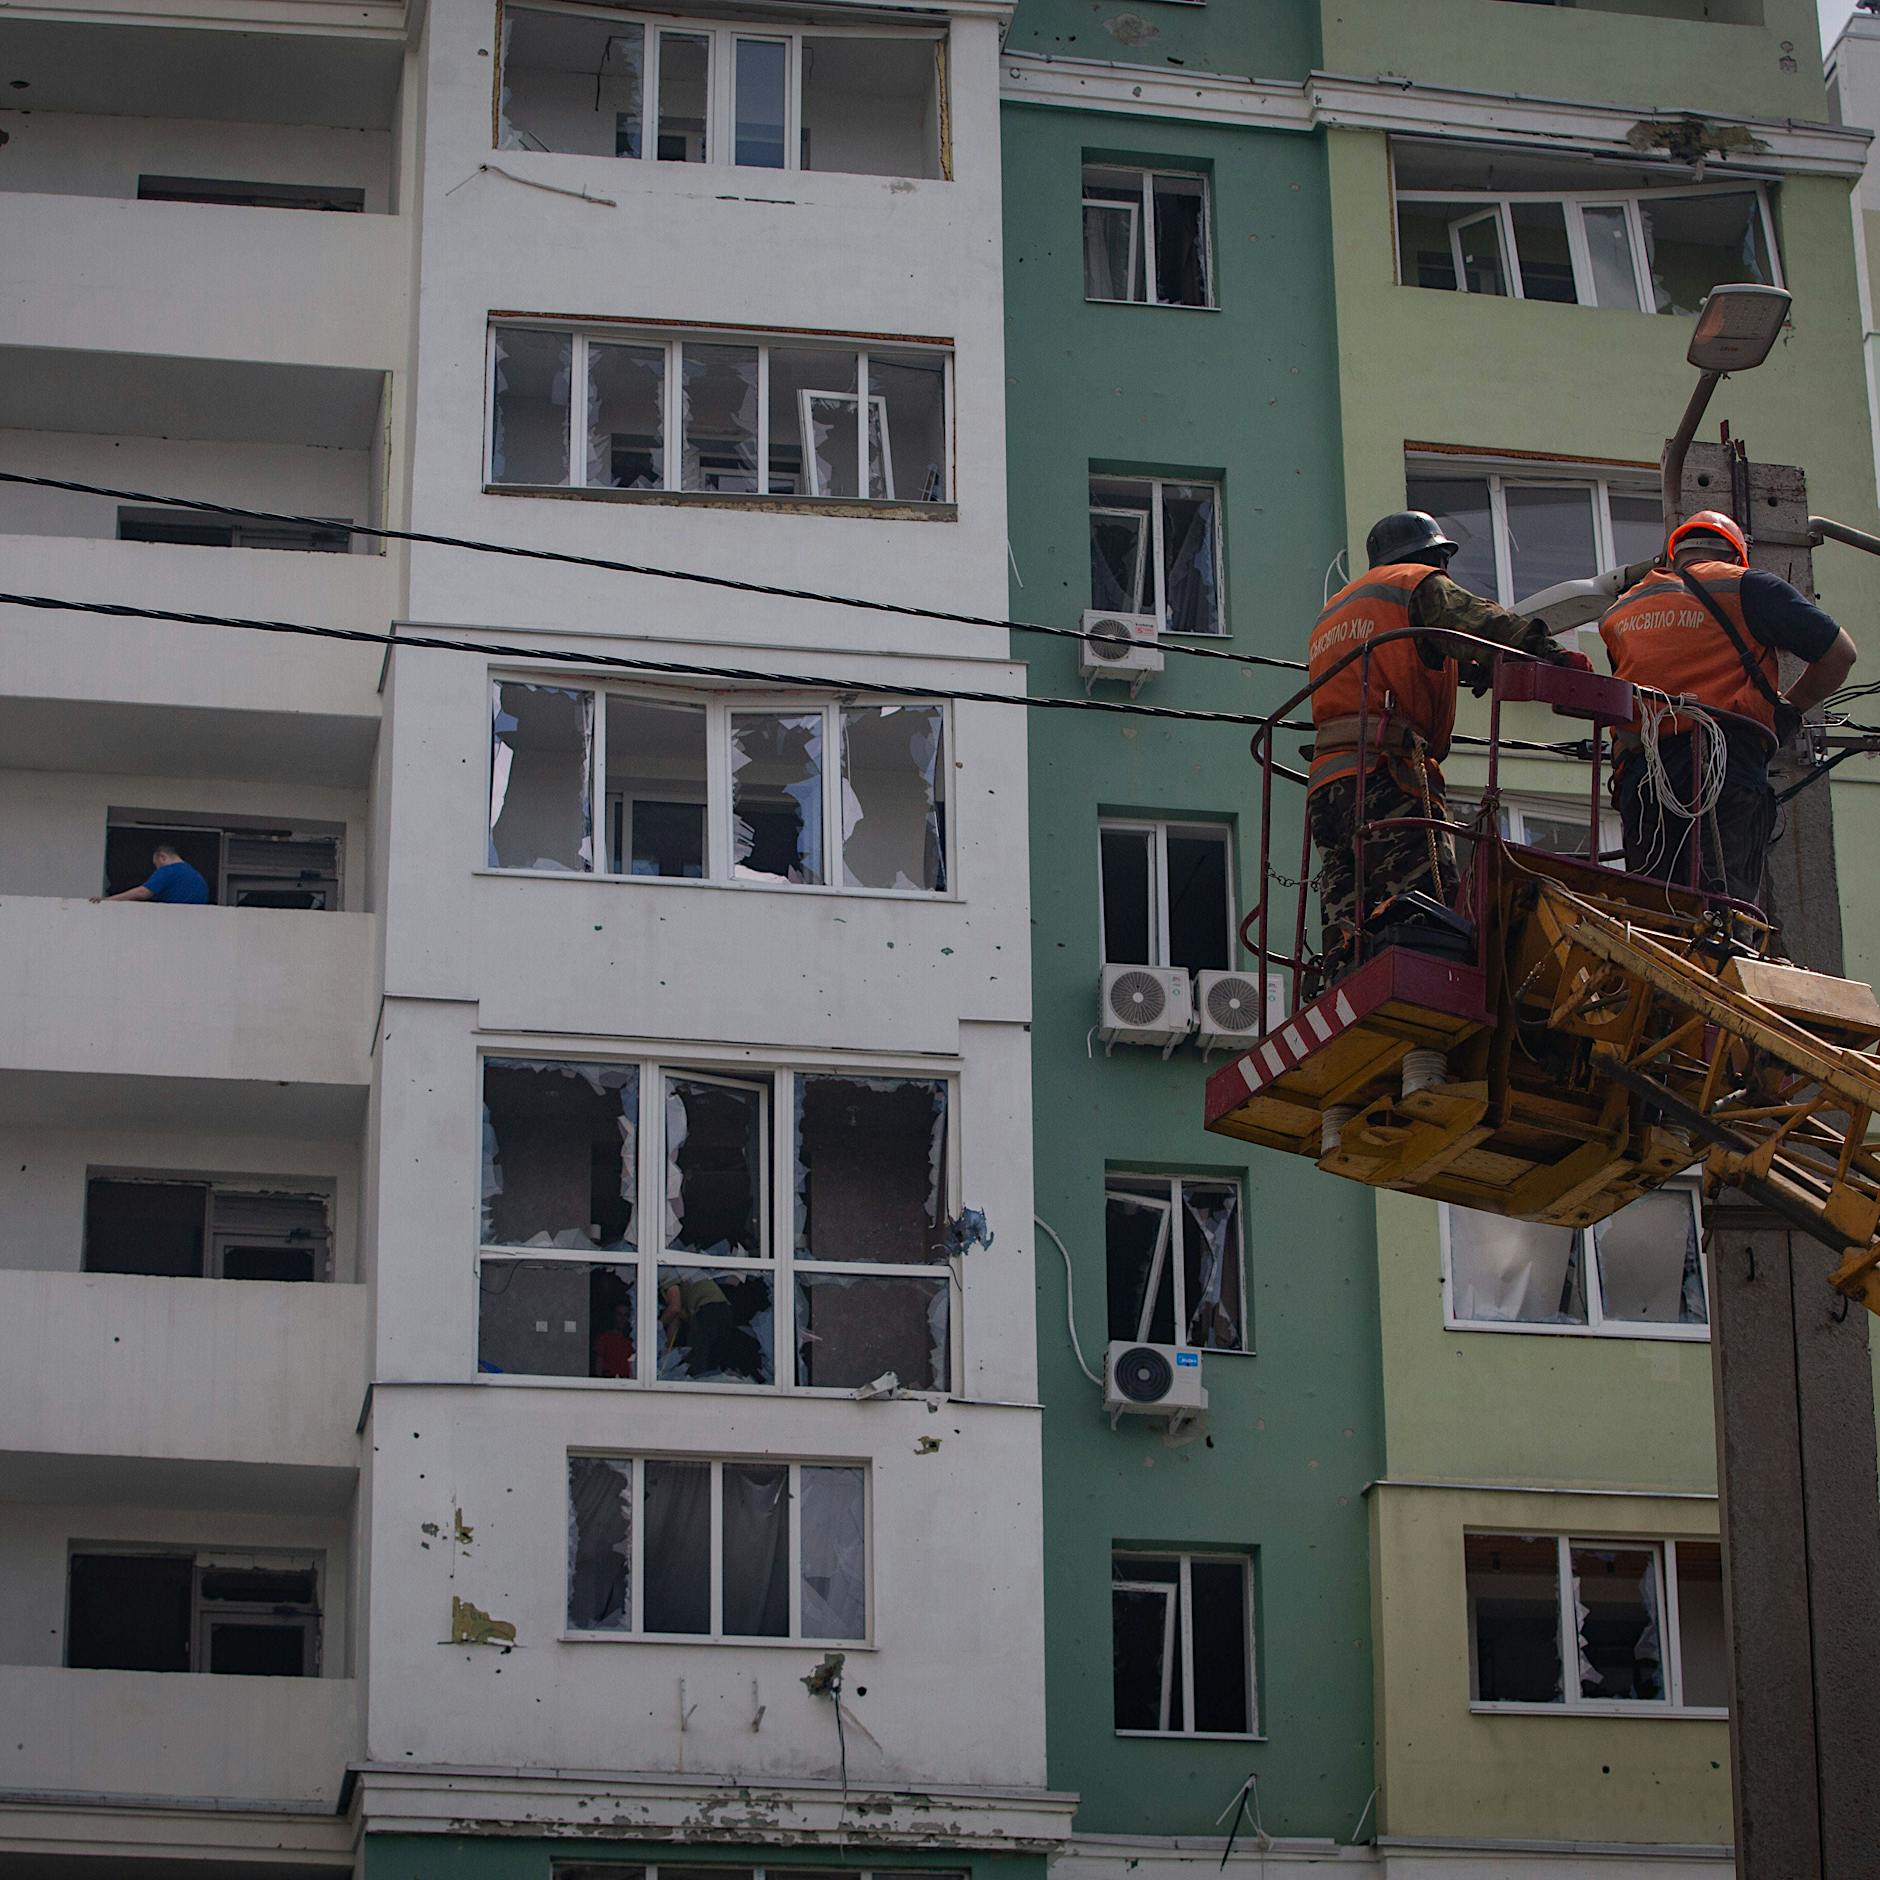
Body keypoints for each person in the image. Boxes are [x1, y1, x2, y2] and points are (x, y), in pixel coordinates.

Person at [1307, 510, 1571, 972]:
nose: (1445, 570)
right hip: (1386, 775)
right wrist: (1555, 657)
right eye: (1442, 561)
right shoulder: (1415, 584)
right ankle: (1425, 977)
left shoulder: (1334, 612)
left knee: (1350, 920)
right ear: (1431, 556)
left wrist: (1469, 666)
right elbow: (1482, 622)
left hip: (1329, 787)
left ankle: (1341, 979)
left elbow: (1393, 663)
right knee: (1422, 913)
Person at [1599, 509, 1856, 908]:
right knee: (1721, 911)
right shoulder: (1746, 586)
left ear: (1674, 557)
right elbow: (1840, 654)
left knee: (1654, 913)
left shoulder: (1622, 609)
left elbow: (1626, 700)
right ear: (1736, 556)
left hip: (1644, 779)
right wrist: (1787, 711)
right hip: (1722, 767)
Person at [89, 844, 210, 905]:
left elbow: (143, 892)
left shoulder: (169, 870)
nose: (157, 869)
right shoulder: (197, 876)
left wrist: (108, 900)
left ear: (163, 857)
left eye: (157, 864)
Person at [591, 1299, 634, 1379]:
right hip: (609, 1381)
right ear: (613, 1316)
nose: (622, 1318)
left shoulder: (632, 1340)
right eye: (619, 1314)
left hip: (628, 1381)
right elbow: (598, 1363)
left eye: (626, 1315)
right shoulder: (604, 1338)